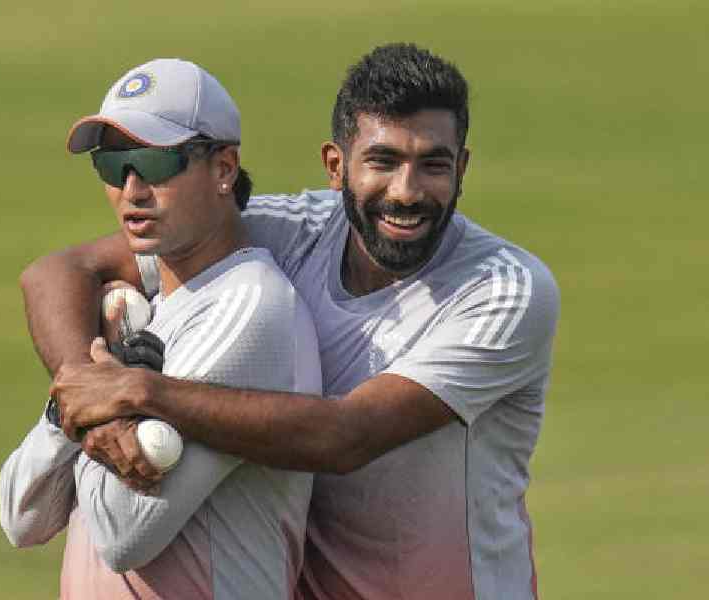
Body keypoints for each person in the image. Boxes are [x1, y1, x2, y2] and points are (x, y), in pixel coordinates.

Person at [35, 44, 560, 600]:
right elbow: (64, 270)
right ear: (336, 166)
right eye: (382, 162)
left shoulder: (505, 289)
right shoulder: (294, 229)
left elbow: (345, 438)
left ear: (462, 168)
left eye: (432, 164)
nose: (406, 192)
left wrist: (139, 390)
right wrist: (87, 392)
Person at [0, 58, 323, 600]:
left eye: (153, 162)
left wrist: (114, 395)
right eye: (113, 165)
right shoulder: (148, 318)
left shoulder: (251, 308)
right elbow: (20, 518)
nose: (131, 190)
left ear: (223, 168)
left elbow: (122, 534)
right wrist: (71, 405)